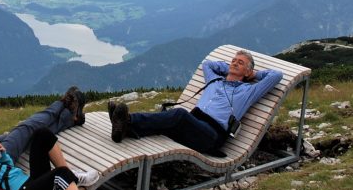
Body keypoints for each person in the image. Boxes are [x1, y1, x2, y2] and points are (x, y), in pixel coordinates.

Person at [108, 50, 283, 154]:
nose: (235, 63)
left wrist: (252, 75)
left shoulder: (248, 91)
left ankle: (128, 120)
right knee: (169, 123)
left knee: (179, 114)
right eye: (233, 61)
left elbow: (276, 75)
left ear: (248, 71)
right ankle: (124, 129)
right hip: (193, 126)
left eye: (241, 63)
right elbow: (208, 64)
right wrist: (229, 69)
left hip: (211, 136)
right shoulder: (214, 80)